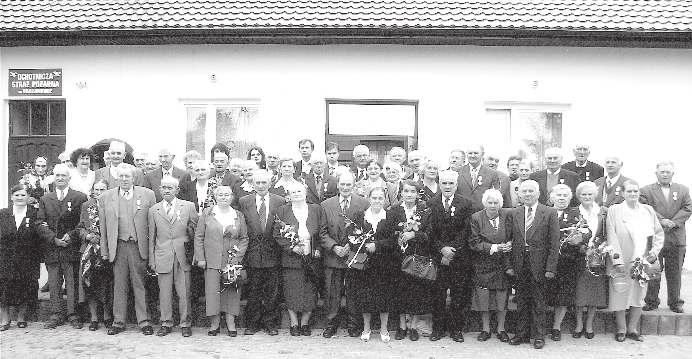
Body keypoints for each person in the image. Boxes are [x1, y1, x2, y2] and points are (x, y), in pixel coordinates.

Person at [98, 163, 156, 335]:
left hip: (138, 246)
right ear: (117, 178)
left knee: (139, 283)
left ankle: (144, 321)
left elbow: (152, 225)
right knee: (119, 284)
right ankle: (118, 321)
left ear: (134, 178)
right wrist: (105, 250)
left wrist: (151, 250)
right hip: (118, 246)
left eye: (127, 176)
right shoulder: (106, 197)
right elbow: (103, 228)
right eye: (121, 176)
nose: (124, 179)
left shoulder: (147, 195)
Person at [607, 180, 664, 342]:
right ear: (623, 193)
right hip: (621, 259)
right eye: (629, 191)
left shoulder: (648, 210)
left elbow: (658, 233)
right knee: (619, 292)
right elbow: (611, 234)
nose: (633, 194)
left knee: (638, 294)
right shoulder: (615, 210)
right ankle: (621, 329)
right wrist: (616, 259)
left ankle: (632, 328)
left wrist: (654, 252)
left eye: (635, 191)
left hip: (642, 259)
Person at [506, 180, 560, 349]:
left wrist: (551, 268)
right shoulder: (514, 213)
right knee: (521, 300)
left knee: (539, 302)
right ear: (519, 195)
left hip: (540, 265)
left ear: (538, 194)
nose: (528, 194)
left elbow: (554, 243)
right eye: (524, 191)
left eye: (531, 191)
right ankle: (521, 334)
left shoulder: (549, 212)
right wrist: (509, 265)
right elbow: (508, 241)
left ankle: (538, 336)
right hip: (519, 264)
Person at [37, 164, 89, 329]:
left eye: (63, 176)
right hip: (53, 248)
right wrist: (53, 238)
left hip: (71, 247)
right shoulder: (46, 199)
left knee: (72, 282)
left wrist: (71, 235)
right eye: (57, 175)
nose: (60, 178)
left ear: (69, 178)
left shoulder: (79, 197)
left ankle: (73, 314)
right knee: (54, 283)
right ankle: (56, 314)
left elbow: (83, 222)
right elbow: (39, 223)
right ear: (54, 178)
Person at [194, 186, 248, 337]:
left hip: (232, 260)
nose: (224, 197)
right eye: (221, 195)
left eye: (227, 195)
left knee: (232, 292)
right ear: (215, 197)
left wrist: (237, 257)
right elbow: (199, 237)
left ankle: (231, 324)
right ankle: (214, 324)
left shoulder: (238, 215)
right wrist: (201, 258)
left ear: (232, 197)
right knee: (212, 292)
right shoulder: (207, 213)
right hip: (211, 260)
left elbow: (244, 238)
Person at [319, 172, 369, 338]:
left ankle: (354, 324)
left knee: (354, 292)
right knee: (332, 293)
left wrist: (351, 245)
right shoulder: (326, 204)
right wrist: (334, 247)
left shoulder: (363, 203)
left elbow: (366, 229)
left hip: (354, 256)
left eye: (349, 184)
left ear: (353, 185)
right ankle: (331, 324)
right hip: (333, 256)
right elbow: (322, 232)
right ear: (338, 185)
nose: (346, 187)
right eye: (343, 184)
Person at [148, 176, 198, 337]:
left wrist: (196, 254)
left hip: (183, 254)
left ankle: (185, 323)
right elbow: (152, 236)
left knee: (184, 292)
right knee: (164, 292)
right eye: (164, 187)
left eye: (170, 188)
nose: (167, 190)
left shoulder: (188, 206)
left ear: (177, 190)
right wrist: (152, 259)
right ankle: (166, 322)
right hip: (163, 254)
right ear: (160, 190)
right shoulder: (154, 210)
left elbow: (196, 232)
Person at [347, 186, 397, 342]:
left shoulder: (390, 216)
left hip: (384, 264)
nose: (377, 201)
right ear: (369, 198)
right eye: (374, 198)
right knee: (365, 297)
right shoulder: (359, 216)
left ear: (385, 200)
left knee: (384, 297)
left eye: (380, 198)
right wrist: (364, 245)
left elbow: (394, 240)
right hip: (364, 264)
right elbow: (351, 237)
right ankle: (366, 328)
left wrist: (378, 245)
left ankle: (384, 329)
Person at [641, 162, 692, 313]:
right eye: (662, 171)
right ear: (656, 173)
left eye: (668, 172)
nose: (665, 174)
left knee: (675, 272)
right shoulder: (646, 190)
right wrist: (662, 220)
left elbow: (688, 207)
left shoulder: (683, 189)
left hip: (676, 237)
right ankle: (651, 301)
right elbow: (645, 207)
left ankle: (675, 302)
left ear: (673, 174)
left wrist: (674, 222)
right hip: (655, 238)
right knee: (653, 270)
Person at [429, 170, 474, 342]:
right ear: (440, 184)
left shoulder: (466, 204)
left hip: (459, 257)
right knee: (438, 295)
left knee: (458, 295)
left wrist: (452, 250)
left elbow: (466, 230)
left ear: (456, 185)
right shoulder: (431, 203)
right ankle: (438, 329)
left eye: (451, 183)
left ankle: (456, 330)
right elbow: (430, 231)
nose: (447, 186)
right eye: (444, 183)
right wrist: (442, 249)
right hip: (438, 257)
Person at [239, 170, 285, 336]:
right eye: (257, 183)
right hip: (252, 253)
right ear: (253, 184)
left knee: (272, 292)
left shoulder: (279, 201)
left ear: (270, 183)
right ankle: (252, 323)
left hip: (273, 253)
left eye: (263, 182)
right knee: (253, 291)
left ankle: (270, 323)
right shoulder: (244, 201)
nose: (260, 186)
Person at [274, 183, 323, 336]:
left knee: (310, 291)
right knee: (291, 291)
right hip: (291, 258)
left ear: (306, 192)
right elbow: (277, 233)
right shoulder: (282, 210)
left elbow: (322, 230)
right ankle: (294, 322)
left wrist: (318, 249)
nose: (296, 194)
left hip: (311, 257)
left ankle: (305, 323)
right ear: (288, 195)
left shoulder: (316, 209)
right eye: (293, 192)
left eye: (299, 191)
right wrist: (291, 247)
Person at [390, 180, 434, 341]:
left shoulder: (425, 211)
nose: (409, 194)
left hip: (417, 258)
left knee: (416, 292)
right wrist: (398, 236)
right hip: (398, 258)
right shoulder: (394, 210)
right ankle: (402, 326)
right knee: (400, 292)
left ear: (417, 194)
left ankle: (414, 326)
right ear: (401, 193)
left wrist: (414, 235)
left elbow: (430, 234)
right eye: (406, 191)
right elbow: (388, 231)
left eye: (412, 192)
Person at [547, 184, 590, 342]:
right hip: (546, 262)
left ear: (570, 198)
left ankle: (556, 327)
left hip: (568, 262)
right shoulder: (544, 212)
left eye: (565, 195)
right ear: (552, 197)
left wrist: (581, 239)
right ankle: (540, 324)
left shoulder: (576, 214)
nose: (562, 198)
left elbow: (587, 232)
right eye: (558, 195)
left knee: (563, 295)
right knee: (544, 293)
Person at [468, 189, 512, 342]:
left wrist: (510, 244)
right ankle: (485, 329)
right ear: (484, 203)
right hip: (483, 264)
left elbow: (514, 234)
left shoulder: (507, 215)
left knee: (501, 299)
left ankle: (501, 329)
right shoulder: (476, 218)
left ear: (501, 204)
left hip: (503, 264)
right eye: (490, 202)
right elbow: (474, 243)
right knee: (484, 299)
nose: (493, 205)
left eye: (496, 203)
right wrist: (496, 247)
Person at [0, 184, 42, 331]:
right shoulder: (3, 213)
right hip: (5, 258)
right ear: (12, 197)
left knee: (25, 286)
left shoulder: (34, 213)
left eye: (23, 195)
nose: (19, 198)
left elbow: (39, 235)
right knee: (4, 288)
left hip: (28, 258)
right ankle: (5, 319)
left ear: (27, 197)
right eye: (16, 195)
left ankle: (21, 317)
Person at [77, 180, 113, 331]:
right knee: (90, 283)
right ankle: (93, 318)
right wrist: (87, 236)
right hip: (90, 250)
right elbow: (80, 227)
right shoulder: (87, 205)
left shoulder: (112, 205)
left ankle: (107, 316)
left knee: (106, 284)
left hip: (107, 250)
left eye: (102, 189)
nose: (99, 192)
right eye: (96, 189)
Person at [574, 181, 608, 339]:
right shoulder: (574, 212)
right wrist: (581, 247)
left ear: (595, 195)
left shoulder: (603, 212)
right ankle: (579, 323)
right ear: (578, 196)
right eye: (583, 194)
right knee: (580, 293)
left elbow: (609, 233)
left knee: (595, 292)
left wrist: (601, 248)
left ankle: (589, 324)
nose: (587, 197)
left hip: (598, 257)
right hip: (579, 257)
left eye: (590, 194)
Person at [457, 144, 505, 212]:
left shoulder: (492, 174)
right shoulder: (458, 172)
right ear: (466, 154)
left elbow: (496, 196)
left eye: (476, 153)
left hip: (483, 216)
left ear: (482, 154)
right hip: (462, 214)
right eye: (470, 153)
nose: (473, 156)